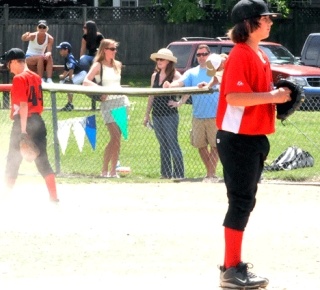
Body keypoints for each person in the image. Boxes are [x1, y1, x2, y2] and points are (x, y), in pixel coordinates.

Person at [215, 0, 290, 288]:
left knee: (245, 201)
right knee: (241, 201)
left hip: (254, 136)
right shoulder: (240, 54)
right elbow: (234, 98)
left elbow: (256, 95)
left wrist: (279, 99)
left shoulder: (260, 55)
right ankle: (230, 268)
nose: (270, 22)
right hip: (237, 138)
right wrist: (273, 97)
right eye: (265, 18)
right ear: (248, 23)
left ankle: (232, 266)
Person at [1, 48, 59, 202]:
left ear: (14, 62)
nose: (9, 68)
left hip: (23, 122)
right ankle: (54, 197)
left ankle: (5, 197)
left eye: (8, 64)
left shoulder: (19, 78)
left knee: (13, 161)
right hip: (38, 121)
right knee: (43, 161)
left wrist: (24, 131)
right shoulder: (36, 77)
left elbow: (24, 106)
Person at [163, 45, 226, 182]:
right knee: (200, 145)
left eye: (204, 54)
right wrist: (170, 85)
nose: (201, 57)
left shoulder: (216, 70)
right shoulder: (192, 72)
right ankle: (210, 173)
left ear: (209, 55)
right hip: (198, 115)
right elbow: (180, 82)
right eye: (199, 55)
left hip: (215, 115)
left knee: (215, 146)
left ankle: (210, 174)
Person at [83, 39, 129, 178]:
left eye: (115, 48)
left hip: (121, 101)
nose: (115, 51)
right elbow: (86, 81)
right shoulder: (98, 65)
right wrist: (101, 90)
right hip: (108, 103)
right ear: (104, 50)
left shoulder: (118, 65)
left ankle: (113, 170)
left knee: (118, 137)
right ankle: (104, 169)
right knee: (114, 135)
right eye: (112, 49)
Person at [143, 48, 185, 180]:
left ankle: (179, 174)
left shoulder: (175, 75)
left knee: (173, 143)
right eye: (158, 59)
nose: (159, 61)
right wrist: (146, 114)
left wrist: (179, 103)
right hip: (157, 114)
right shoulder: (154, 76)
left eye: (161, 59)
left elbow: (187, 90)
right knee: (163, 144)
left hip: (170, 114)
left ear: (168, 61)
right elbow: (151, 96)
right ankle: (165, 173)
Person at [56, 41, 87, 111]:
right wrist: (63, 76)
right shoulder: (67, 58)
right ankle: (70, 104)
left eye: (61, 49)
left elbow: (71, 68)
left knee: (68, 85)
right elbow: (67, 70)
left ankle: (70, 105)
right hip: (78, 74)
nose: (60, 51)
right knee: (63, 83)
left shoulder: (70, 58)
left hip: (82, 74)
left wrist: (70, 79)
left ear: (66, 50)